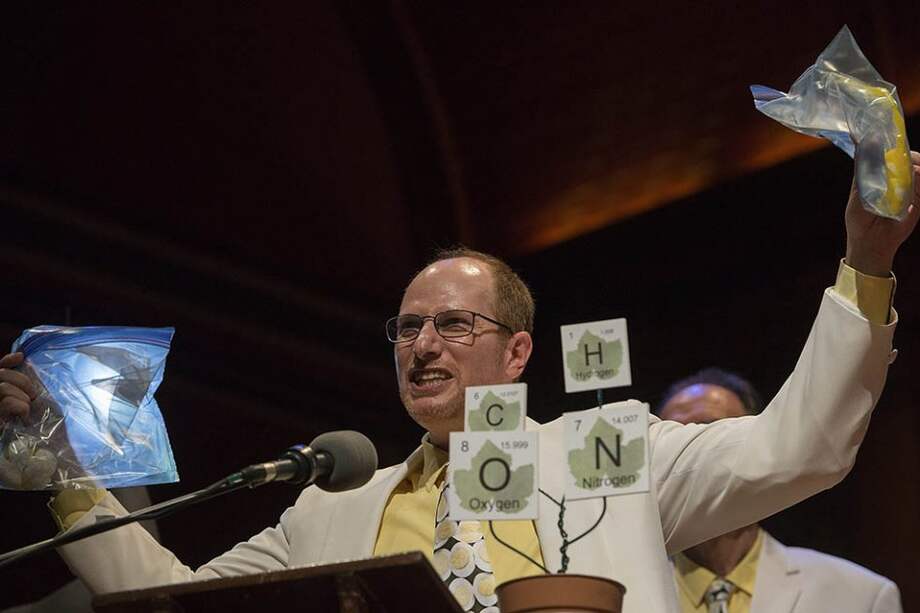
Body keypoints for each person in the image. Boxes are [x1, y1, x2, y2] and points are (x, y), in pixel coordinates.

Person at [1, 157, 918, 612]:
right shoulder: (331, 503)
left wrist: (867, 261)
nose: (423, 345)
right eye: (407, 327)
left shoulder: (608, 455)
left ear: (518, 354)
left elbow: (799, 447)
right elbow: (163, 596)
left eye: (453, 325)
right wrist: (66, 472)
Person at [658, 368, 902, 613]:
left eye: (717, 439)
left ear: (764, 449)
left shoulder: (860, 596)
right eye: (681, 450)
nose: (696, 464)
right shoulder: (622, 593)